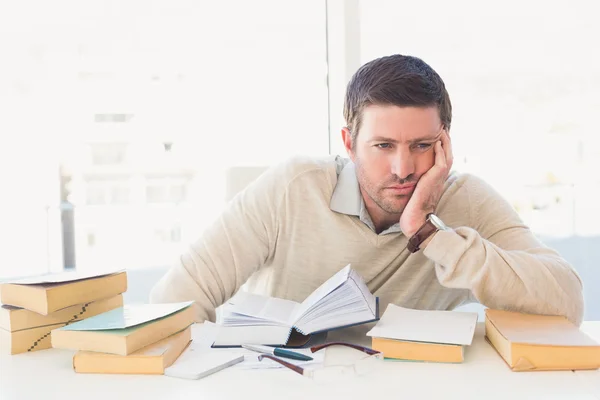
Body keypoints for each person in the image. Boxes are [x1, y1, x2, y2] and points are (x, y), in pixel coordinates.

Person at [150, 54, 584, 326]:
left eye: (422, 146)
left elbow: (567, 301)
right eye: (383, 146)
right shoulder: (293, 187)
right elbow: (177, 297)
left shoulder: (466, 199)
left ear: (445, 142)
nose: (403, 168)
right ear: (348, 143)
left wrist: (431, 235)